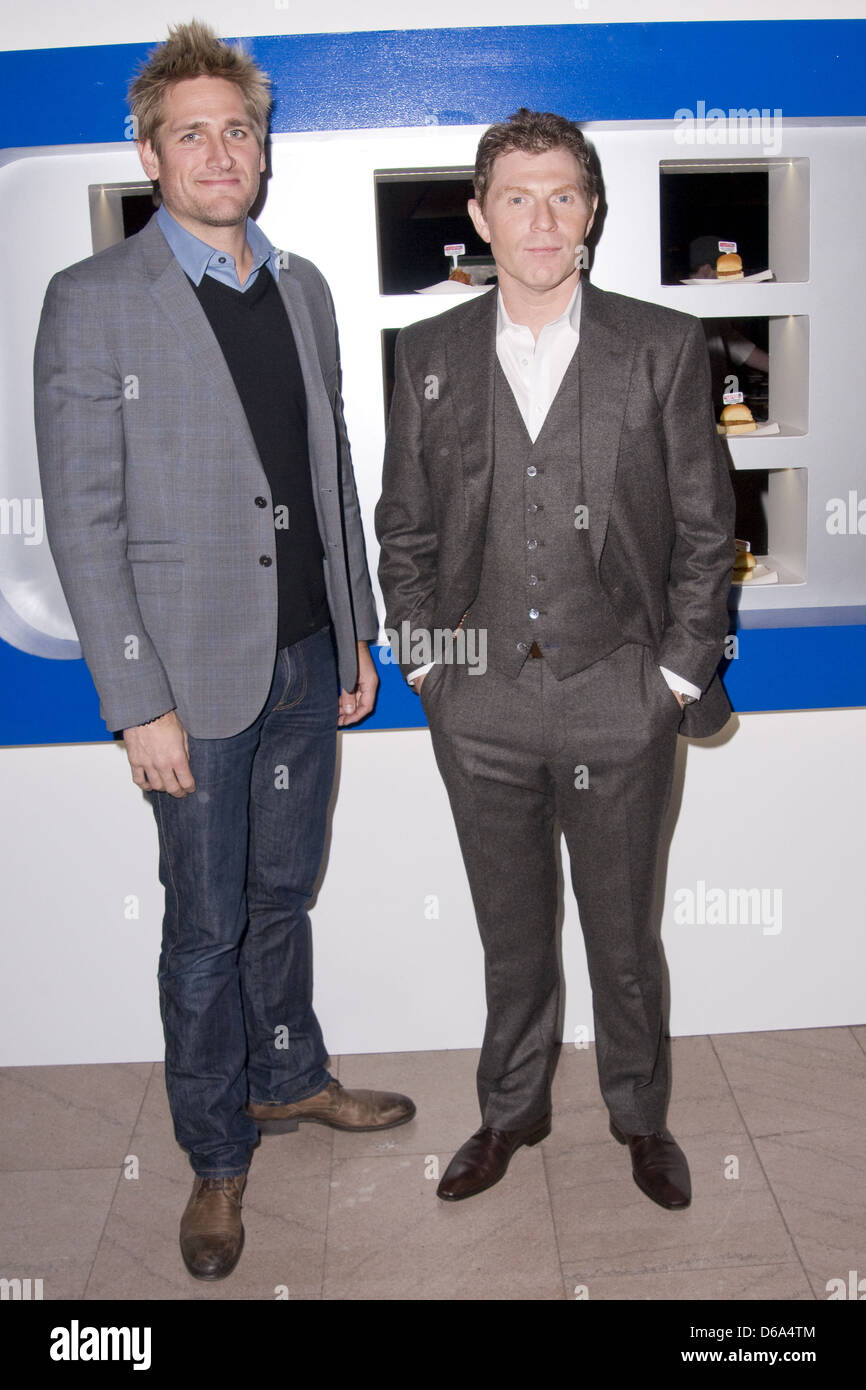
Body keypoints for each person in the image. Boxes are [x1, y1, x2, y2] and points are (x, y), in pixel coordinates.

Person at [34, 21, 414, 1281]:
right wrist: (134, 701)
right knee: (202, 924)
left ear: (263, 147)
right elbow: (84, 523)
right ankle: (212, 1155)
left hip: (308, 657)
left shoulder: (299, 285)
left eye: (237, 128)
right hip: (189, 682)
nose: (219, 150)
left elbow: (328, 468)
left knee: (280, 893)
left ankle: (286, 1077)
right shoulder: (92, 302)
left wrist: (352, 628)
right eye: (189, 131)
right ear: (149, 154)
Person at [375, 109, 734, 1210]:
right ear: (480, 216)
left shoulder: (660, 345)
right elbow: (406, 533)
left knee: (623, 938)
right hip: (477, 704)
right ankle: (509, 1112)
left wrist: (668, 680)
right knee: (511, 934)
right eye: (516, 198)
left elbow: (705, 533)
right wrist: (433, 675)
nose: (541, 219)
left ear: (590, 211)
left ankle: (638, 1116)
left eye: (563, 195)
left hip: (615, 698)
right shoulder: (426, 354)